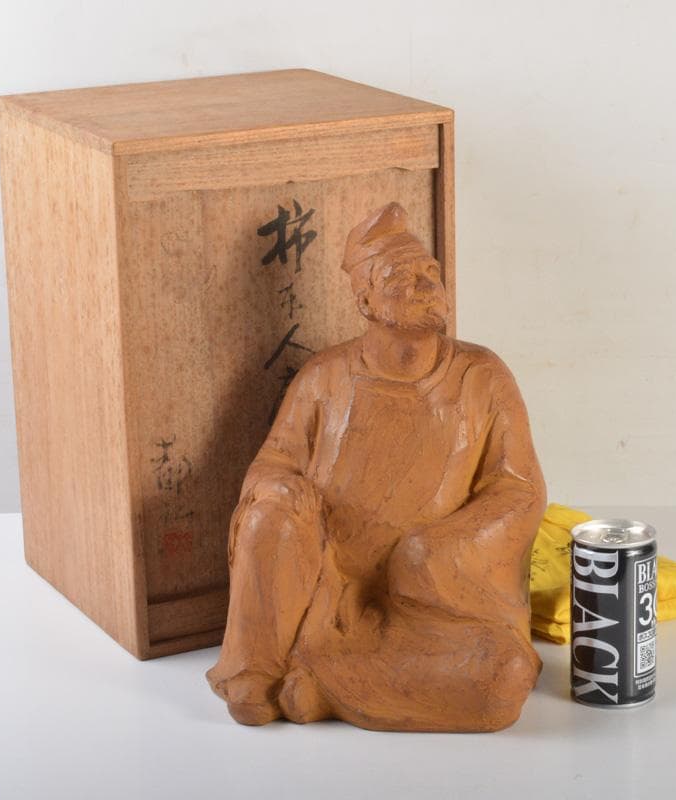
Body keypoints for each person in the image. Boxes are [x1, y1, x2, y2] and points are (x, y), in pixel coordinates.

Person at [206, 202, 547, 732]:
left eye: (431, 272)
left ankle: (321, 684)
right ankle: (261, 671)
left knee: (504, 678)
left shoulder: (482, 376)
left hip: (432, 606)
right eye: (400, 277)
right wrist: (281, 488)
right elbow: (272, 463)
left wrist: (431, 554)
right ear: (365, 299)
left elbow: (519, 489)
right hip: (330, 591)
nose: (426, 285)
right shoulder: (325, 377)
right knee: (269, 511)